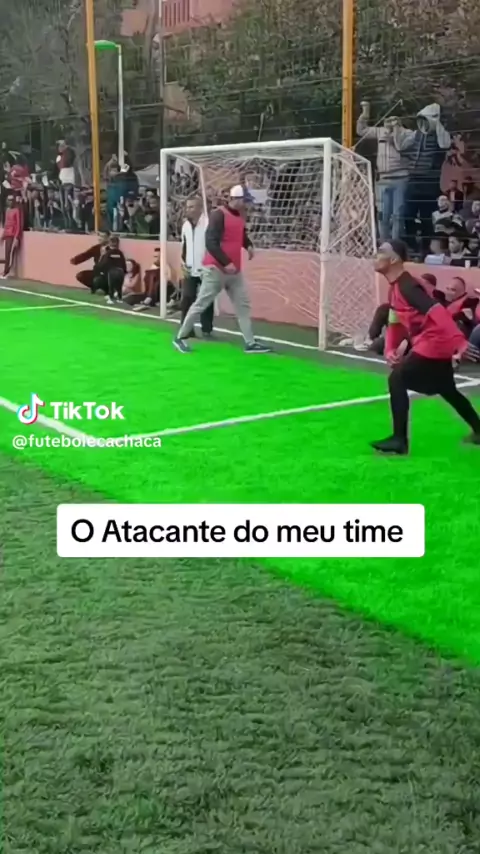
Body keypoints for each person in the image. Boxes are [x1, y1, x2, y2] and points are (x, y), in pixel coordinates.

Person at [371, 239, 480, 455]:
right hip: (434, 342)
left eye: (381, 251)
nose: (375, 255)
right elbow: (395, 322)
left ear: (393, 259)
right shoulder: (396, 287)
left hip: (434, 341)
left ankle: (399, 440)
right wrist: (390, 349)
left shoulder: (407, 286)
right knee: (446, 388)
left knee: (397, 379)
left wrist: (459, 340)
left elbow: (437, 311)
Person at [173, 185, 271, 353]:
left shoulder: (240, 216)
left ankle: (250, 342)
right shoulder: (218, 215)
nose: (246, 204)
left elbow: (240, 234)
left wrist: (248, 245)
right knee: (201, 303)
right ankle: (180, 337)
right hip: (215, 269)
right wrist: (226, 262)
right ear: (236, 199)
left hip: (234, 271)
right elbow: (211, 242)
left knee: (243, 305)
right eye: (244, 200)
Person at [180, 196, 213, 338]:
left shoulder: (208, 223)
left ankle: (207, 328)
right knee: (187, 298)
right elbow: (184, 245)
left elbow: (213, 245)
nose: (188, 209)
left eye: (192, 207)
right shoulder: (185, 226)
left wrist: (211, 264)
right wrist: (182, 262)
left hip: (206, 268)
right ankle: (186, 328)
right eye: (187, 207)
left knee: (206, 300)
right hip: (189, 268)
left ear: (200, 208)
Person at [1, 194, 22, 277]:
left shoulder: (17, 210)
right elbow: (6, 225)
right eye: (8, 200)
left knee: (10, 253)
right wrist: (2, 236)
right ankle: (6, 271)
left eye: (11, 200)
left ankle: (7, 271)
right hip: (8, 234)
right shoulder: (7, 210)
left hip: (13, 235)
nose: (10, 202)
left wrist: (16, 237)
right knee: (7, 253)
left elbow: (18, 225)